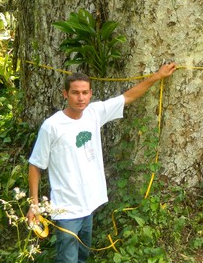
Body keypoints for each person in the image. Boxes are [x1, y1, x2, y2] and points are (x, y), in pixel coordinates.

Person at [26, 62, 177, 263]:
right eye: (75, 93)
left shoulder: (94, 113)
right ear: (65, 94)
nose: (80, 98)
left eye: (85, 93)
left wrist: (157, 76)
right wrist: (34, 204)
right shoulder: (52, 126)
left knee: (82, 257)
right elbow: (35, 165)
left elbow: (128, 96)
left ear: (91, 94)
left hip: (89, 204)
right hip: (66, 209)